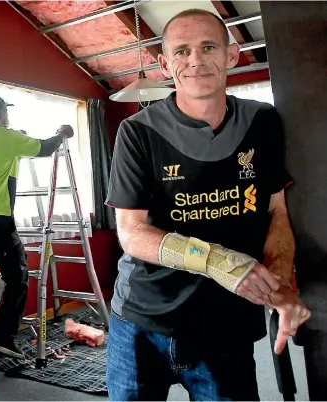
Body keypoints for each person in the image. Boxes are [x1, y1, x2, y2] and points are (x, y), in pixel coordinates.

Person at [105, 9, 311, 401]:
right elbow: (131, 234)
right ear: (165, 65)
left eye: (208, 47)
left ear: (232, 55)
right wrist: (222, 262)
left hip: (226, 325)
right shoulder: (137, 132)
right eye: (181, 51)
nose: (195, 60)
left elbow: (277, 212)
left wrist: (279, 285)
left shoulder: (262, 121)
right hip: (143, 319)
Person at [0, 95, 74, 359]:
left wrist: (16, 138)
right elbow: (44, 148)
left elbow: (1, 157)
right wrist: (61, 133)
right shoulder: (6, 136)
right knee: (18, 277)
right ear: (0, 115)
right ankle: (4, 337)